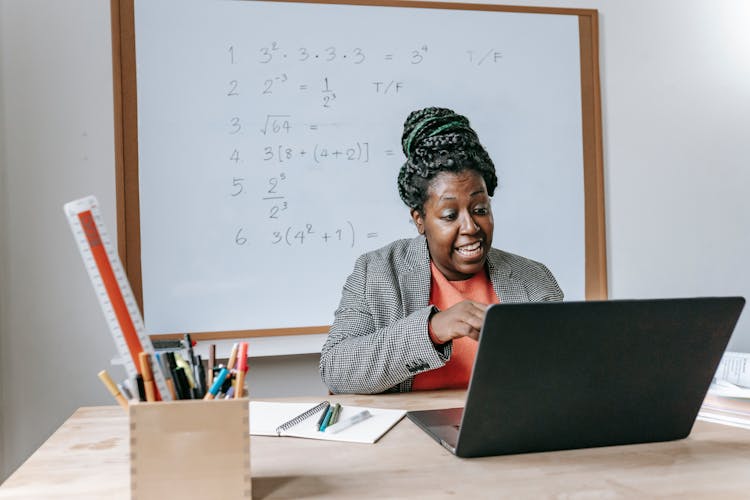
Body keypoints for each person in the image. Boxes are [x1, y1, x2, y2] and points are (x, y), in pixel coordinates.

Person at [320, 107, 563, 394]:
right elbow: (336, 368)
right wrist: (432, 330)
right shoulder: (377, 272)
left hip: (508, 430)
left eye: (480, 209)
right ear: (420, 220)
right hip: (406, 435)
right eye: (449, 215)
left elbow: (565, 370)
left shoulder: (532, 279)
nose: (471, 226)